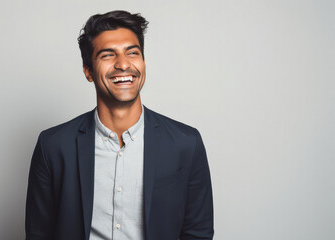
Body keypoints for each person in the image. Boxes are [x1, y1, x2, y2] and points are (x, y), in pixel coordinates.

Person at [25, 10, 213, 240]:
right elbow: (38, 234)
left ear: (143, 62)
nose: (123, 64)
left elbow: (198, 233)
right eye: (107, 55)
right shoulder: (53, 146)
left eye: (132, 53)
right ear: (88, 71)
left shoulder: (186, 143)